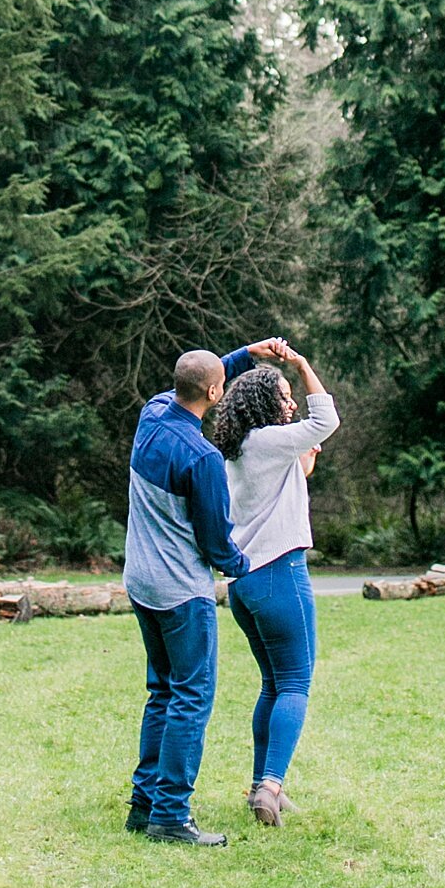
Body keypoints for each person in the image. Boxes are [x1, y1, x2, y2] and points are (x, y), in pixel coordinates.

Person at [122, 338, 292, 846]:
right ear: (216, 391)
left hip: (141, 583)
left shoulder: (152, 414)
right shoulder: (202, 458)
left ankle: (144, 804)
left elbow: (200, 377)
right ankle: (171, 815)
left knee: (163, 692)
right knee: (191, 698)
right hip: (180, 592)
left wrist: (245, 354)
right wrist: (247, 564)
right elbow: (218, 544)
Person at [215, 344, 340, 826]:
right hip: (281, 573)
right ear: (265, 403)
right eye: (285, 397)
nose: (292, 404)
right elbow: (326, 418)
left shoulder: (238, 451)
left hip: (244, 586)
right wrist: (306, 366)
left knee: (271, 683)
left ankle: (260, 785)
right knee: (295, 683)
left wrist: (303, 457)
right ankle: (271, 785)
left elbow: (289, 478)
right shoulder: (271, 440)